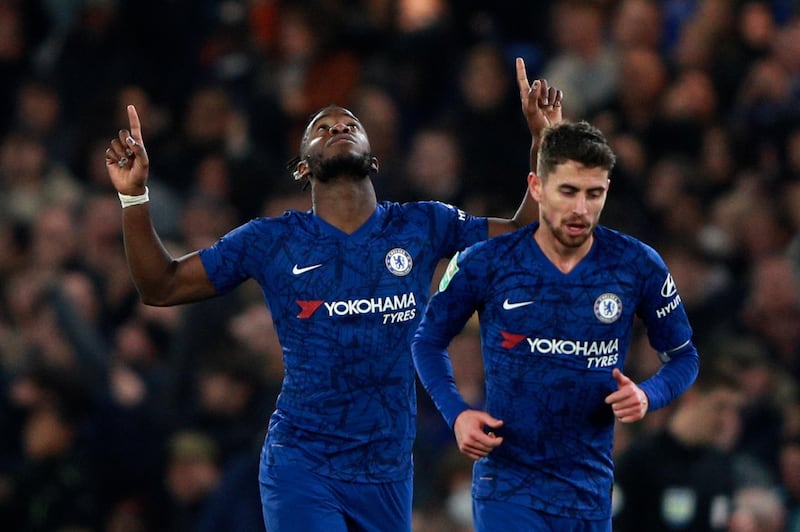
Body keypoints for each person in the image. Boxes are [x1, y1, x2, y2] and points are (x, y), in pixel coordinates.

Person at [103, 59, 562, 531]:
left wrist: (542, 145)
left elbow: (524, 236)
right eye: (322, 128)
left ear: (374, 157)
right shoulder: (272, 240)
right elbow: (161, 285)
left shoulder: (422, 224)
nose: (339, 128)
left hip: (388, 470)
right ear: (304, 165)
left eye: (350, 125)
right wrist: (134, 197)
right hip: (303, 463)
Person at [411, 120, 700, 531]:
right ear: (537, 187)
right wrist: (457, 413)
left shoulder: (637, 265)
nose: (581, 209)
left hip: (589, 491)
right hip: (508, 486)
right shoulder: (488, 262)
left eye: (593, 193)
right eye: (568, 191)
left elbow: (684, 357)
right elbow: (427, 341)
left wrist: (647, 395)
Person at [613, 362, 745, 532]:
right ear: (691, 395)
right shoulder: (641, 459)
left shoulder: (720, 466)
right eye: (720, 407)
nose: (726, 421)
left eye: (733, 411)